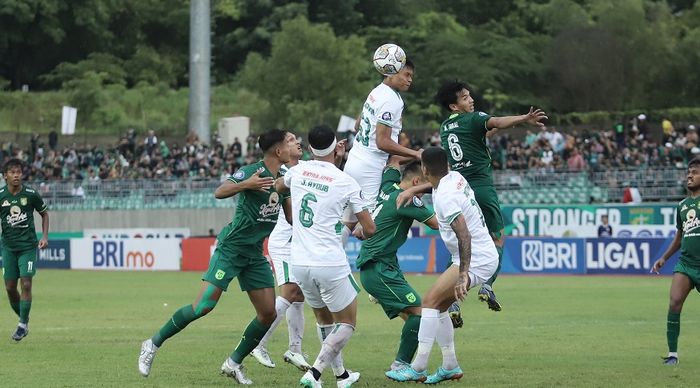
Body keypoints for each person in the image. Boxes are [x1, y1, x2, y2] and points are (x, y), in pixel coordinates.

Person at [138, 129, 293, 384]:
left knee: (268, 313)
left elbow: (290, 217)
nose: (294, 146)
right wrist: (247, 185)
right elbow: (220, 191)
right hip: (231, 249)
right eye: (290, 143)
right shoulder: (252, 172)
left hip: (254, 253)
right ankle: (152, 344)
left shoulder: (284, 179)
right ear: (278, 150)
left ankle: (233, 363)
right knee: (203, 306)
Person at [401, 80, 547, 312]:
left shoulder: (445, 128)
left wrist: (414, 189)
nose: (471, 100)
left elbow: (483, 131)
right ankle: (487, 285)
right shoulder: (474, 118)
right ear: (454, 106)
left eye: (470, 96)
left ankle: (453, 302)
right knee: (497, 238)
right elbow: (495, 121)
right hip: (480, 187)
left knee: (459, 246)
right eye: (465, 97)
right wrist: (523, 119)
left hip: (457, 188)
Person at [386, 147, 498, 384]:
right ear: (446, 165)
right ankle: (449, 365)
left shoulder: (446, 197)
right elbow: (435, 184)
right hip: (482, 253)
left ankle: (418, 367)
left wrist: (463, 275)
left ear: (424, 170)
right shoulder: (455, 177)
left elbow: (464, 235)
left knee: (429, 302)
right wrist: (416, 189)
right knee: (440, 308)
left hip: (475, 257)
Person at [276, 125, 376, 388]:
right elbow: (370, 228)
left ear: (310, 148)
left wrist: (289, 201)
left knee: (324, 320)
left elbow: (278, 185)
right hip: (329, 261)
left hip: (300, 261)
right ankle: (315, 372)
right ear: (337, 147)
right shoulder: (346, 182)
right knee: (347, 323)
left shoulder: (297, 172)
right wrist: (358, 230)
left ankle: (341, 376)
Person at [356, 157, 439, 371]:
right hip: (378, 268)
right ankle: (400, 365)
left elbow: (393, 160)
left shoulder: (388, 185)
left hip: (382, 266)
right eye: (424, 185)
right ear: (415, 183)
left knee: (413, 318)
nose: (424, 192)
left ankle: (415, 360)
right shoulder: (408, 200)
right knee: (419, 313)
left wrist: (419, 154)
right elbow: (437, 224)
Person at [250, 132, 311, 371]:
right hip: (284, 241)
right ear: (280, 149)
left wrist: (334, 155)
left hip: (298, 242)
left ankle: (294, 350)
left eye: (297, 139)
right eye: (291, 140)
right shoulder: (282, 174)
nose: (297, 142)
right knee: (290, 292)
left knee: (299, 298)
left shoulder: (306, 167)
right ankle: (258, 344)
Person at [342, 60, 421, 237]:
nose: (410, 80)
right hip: (370, 167)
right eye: (406, 75)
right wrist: (415, 153)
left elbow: (357, 126)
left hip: (354, 159)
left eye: (411, 77)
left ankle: (329, 260)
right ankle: (371, 265)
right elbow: (382, 142)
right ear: (392, 72)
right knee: (372, 228)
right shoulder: (391, 100)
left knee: (348, 221)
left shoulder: (376, 91)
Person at [651, 157, 700, 365]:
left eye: (695, 172)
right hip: (686, 264)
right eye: (688, 172)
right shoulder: (682, 205)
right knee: (674, 303)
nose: (690, 175)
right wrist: (664, 257)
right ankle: (673, 355)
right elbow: (679, 237)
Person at [0, 158, 49, 341]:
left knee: (26, 284)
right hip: (8, 248)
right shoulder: (1, 195)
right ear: (5, 176)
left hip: (27, 247)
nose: (16, 175)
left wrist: (44, 237)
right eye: (12, 172)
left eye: (19, 172)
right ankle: (24, 319)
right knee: (10, 288)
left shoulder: (30, 194)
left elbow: (44, 214)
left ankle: (21, 325)